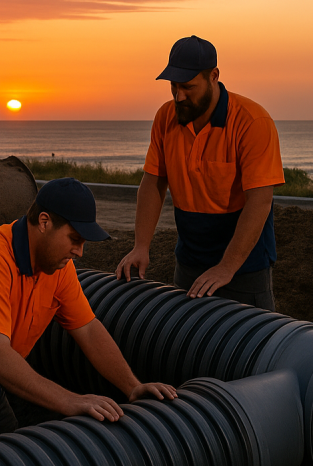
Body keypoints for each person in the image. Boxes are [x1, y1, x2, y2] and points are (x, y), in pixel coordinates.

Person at [0, 177, 177, 459]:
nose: (79, 251)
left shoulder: (58, 268)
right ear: (44, 222)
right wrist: (70, 401)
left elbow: (88, 329)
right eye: (74, 239)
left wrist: (132, 386)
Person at [116, 35, 285, 310]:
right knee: (189, 344)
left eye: (188, 87)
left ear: (214, 76)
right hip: (190, 263)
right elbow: (153, 183)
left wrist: (227, 267)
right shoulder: (165, 118)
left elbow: (260, 201)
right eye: (173, 86)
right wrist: (141, 246)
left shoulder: (253, 122)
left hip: (244, 268)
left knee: (251, 346)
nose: (178, 96)